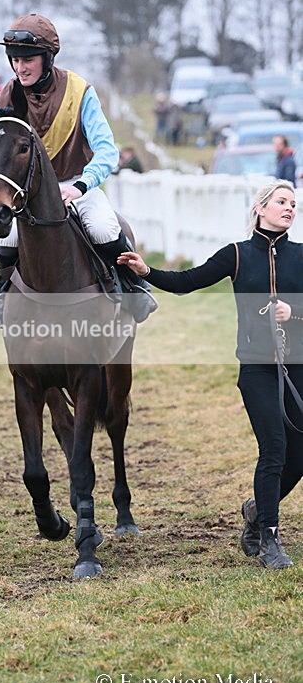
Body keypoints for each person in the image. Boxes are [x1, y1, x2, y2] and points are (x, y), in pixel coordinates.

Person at [119, 180, 303, 570]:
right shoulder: (236, 255)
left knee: (298, 455)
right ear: (260, 208)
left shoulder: (302, 256)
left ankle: (255, 510)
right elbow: (188, 282)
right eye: (282, 202)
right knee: (274, 448)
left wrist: (295, 312)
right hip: (256, 369)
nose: (289, 208)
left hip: (298, 368)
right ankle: (270, 537)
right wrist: (146, 270)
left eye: (293, 203)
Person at [0, 13, 156, 324]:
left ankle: (133, 288)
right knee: (5, 239)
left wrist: (80, 186)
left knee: (104, 227)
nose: (19, 68)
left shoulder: (80, 92)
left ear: (48, 57)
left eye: (28, 60)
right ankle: (1, 292)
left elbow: (107, 150)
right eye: (14, 60)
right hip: (27, 194)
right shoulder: (7, 96)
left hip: (77, 186)